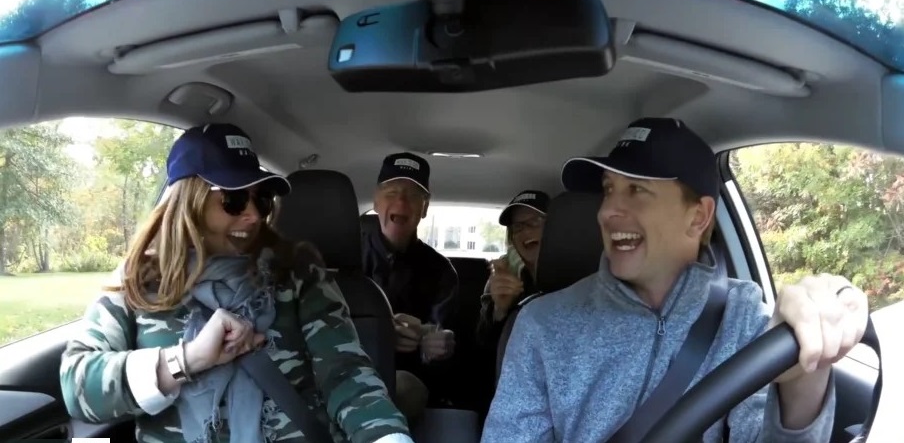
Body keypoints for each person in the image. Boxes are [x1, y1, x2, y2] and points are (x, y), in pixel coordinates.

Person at [481, 117, 870, 442]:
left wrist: (806, 372)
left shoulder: (745, 319)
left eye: (636, 190)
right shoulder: (542, 325)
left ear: (698, 217)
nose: (608, 211)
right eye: (608, 190)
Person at [60, 123, 413, 443]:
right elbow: (79, 389)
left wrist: (388, 438)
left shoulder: (297, 273)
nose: (255, 214)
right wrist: (188, 358)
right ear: (189, 200)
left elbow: (345, 373)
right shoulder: (138, 280)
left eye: (261, 198)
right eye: (233, 199)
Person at [362, 152, 459, 423]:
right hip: (342, 366)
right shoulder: (342, 254)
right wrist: (378, 334)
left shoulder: (441, 272)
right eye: (392, 191)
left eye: (414, 195)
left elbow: (443, 347)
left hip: (403, 380)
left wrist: (433, 345)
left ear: (425, 208)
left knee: (404, 387)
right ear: (375, 201)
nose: (401, 201)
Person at [475, 190, 549, 349]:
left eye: (536, 221)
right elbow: (483, 357)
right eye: (518, 226)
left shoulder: (577, 280)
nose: (526, 231)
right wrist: (500, 311)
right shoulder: (504, 278)